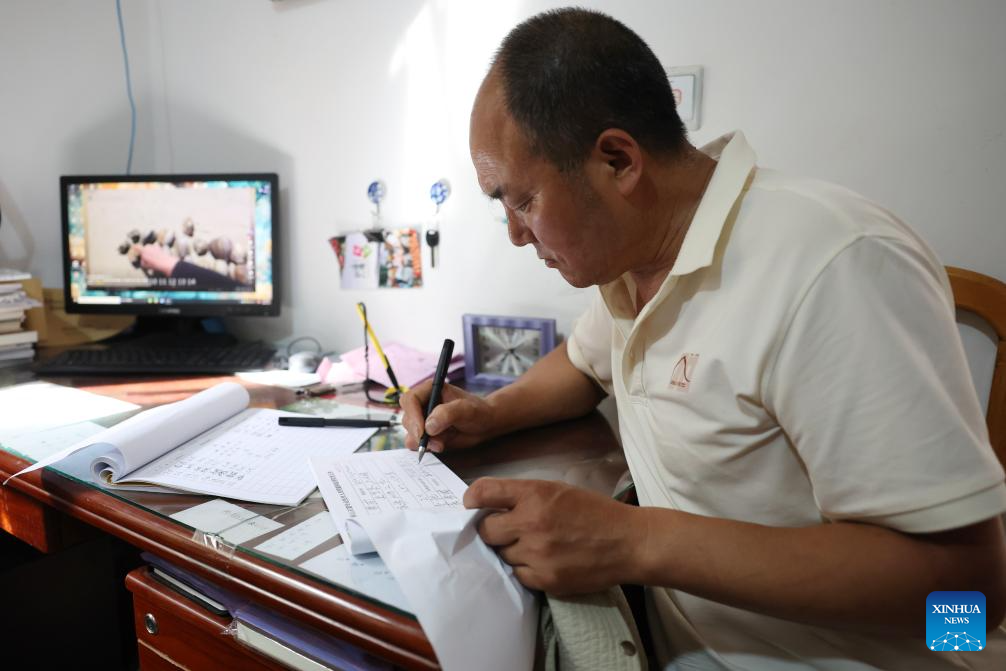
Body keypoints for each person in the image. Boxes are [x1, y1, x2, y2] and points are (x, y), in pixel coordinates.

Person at [401, 7, 1006, 670]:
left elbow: (974, 602)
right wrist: (490, 412)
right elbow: (581, 364)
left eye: (523, 201)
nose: (517, 234)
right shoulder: (632, 257)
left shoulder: (835, 266)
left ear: (617, 161)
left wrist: (634, 541)